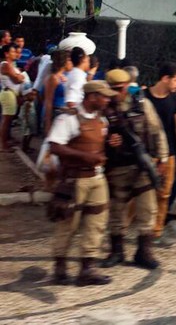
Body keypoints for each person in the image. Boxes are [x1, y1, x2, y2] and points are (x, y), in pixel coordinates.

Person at [47, 81, 118, 286]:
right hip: (74, 180)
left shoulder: (101, 120)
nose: (108, 99)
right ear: (92, 96)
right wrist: (84, 156)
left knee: (96, 224)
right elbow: (55, 146)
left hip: (97, 178)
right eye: (104, 96)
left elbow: (101, 145)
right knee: (68, 223)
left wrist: (112, 145)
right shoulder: (68, 119)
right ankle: (60, 267)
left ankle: (87, 268)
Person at [100, 69, 169, 269]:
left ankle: (144, 252)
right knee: (117, 211)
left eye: (119, 89)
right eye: (112, 89)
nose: (116, 93)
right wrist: (107, 141)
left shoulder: (142, 105)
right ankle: (117, 251)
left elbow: (157, 132)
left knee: (147, 209)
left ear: (127, 86)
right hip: (117, 168)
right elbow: (94, 134)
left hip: (141, 166)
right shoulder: (103, 108)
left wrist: (162, 159)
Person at [144, 62, 176, 242]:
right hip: (146, 153)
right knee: (139, 192)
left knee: (164, 194)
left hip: (168, 154)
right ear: (165, 78)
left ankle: (156, 231)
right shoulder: (144, 96)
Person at [0, 43, 25, 151]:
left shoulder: (11, 65)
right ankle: (3, 144)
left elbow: (19, 78)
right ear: (6, 54)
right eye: (12, 51)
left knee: (8, 121)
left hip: (12, 94)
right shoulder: (5, 64)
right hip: (8, 94)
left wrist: (19, 76)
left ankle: (5, 141)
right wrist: (20, 76)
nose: (15, 53)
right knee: (6, 120)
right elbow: (17, 79)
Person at [43, 50, 72, 135]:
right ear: (63, 62)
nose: (71, 63)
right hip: (55, 113)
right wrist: (47, 123)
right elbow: (48, 101)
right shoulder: (53, 78)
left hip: (63, 112)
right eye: (69, 60)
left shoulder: (63, 77)